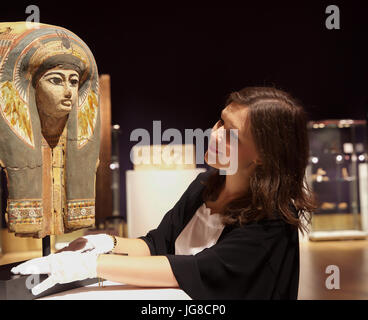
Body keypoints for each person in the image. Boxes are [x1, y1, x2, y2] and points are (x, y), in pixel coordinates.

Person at [12, 86, 316, 299]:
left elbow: (199, 270)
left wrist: (93, 264)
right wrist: (106, 242)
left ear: (263, 154)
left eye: (231, 132)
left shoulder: (273, 221)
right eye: (220, 120)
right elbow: (158, 244)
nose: (214, 133)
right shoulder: (203, 187)